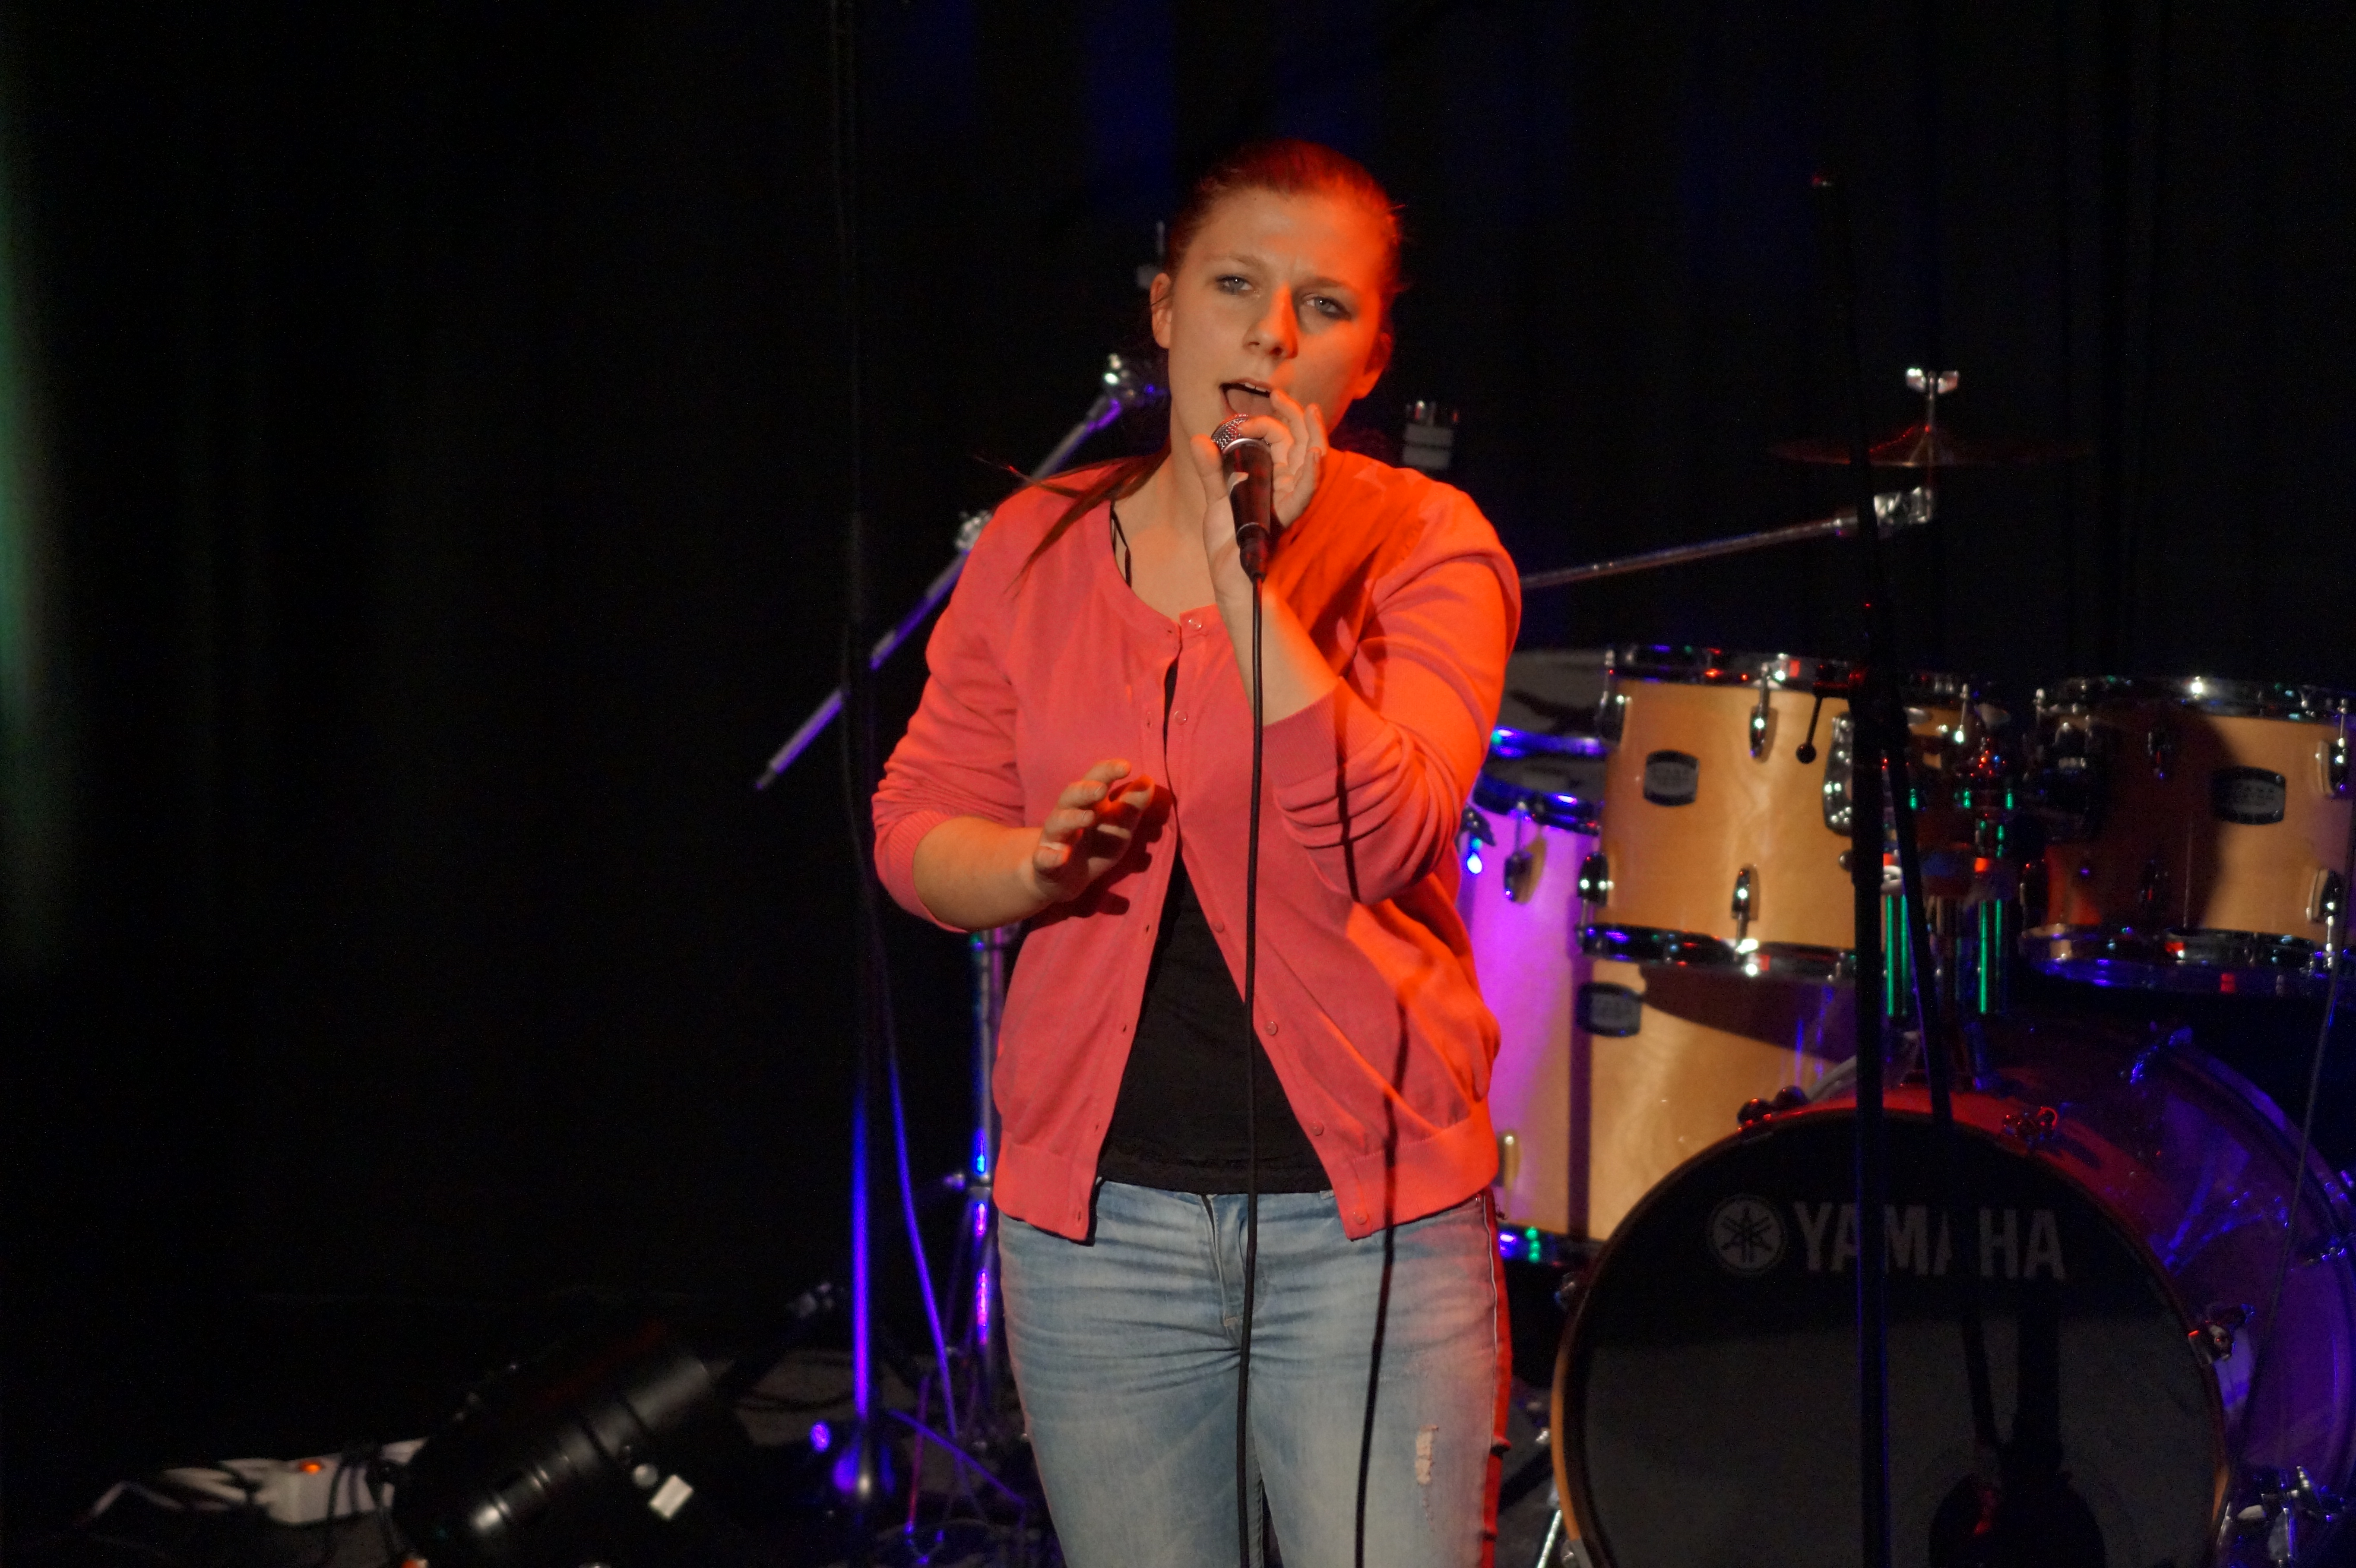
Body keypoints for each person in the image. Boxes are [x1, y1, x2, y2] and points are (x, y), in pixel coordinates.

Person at [870, 139, 1521, 1568]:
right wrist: (1035, 872)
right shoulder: (1035, 545)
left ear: (1370, 356)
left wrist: (1249, 578)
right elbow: (915, 825)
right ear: (1164, 309)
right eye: (1235, 286)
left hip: (1368, 1240)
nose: (1272, 334)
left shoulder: (1428, 542)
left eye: (1324, 306)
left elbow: (1385, 838)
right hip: (1100, 1242)